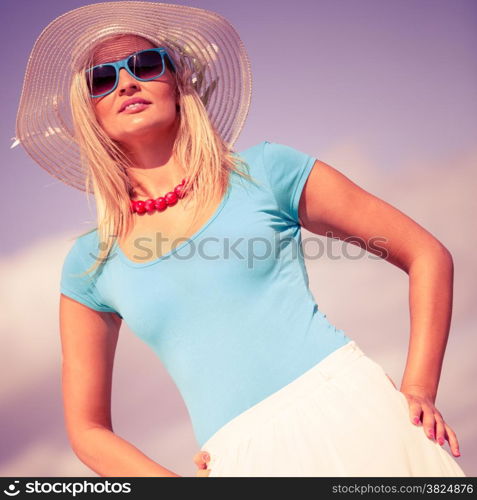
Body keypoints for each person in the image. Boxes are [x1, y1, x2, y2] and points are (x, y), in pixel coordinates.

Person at [15, 1, 466, 477]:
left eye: (145, 65)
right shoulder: (91, 262)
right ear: (90, 111)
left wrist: (418, 387)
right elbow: (87, 430)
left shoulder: (269, 171)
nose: (126, 82)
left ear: (179, 81)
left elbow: (426, 254)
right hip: (242, 460)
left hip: (354, 410)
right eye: (101, 79)